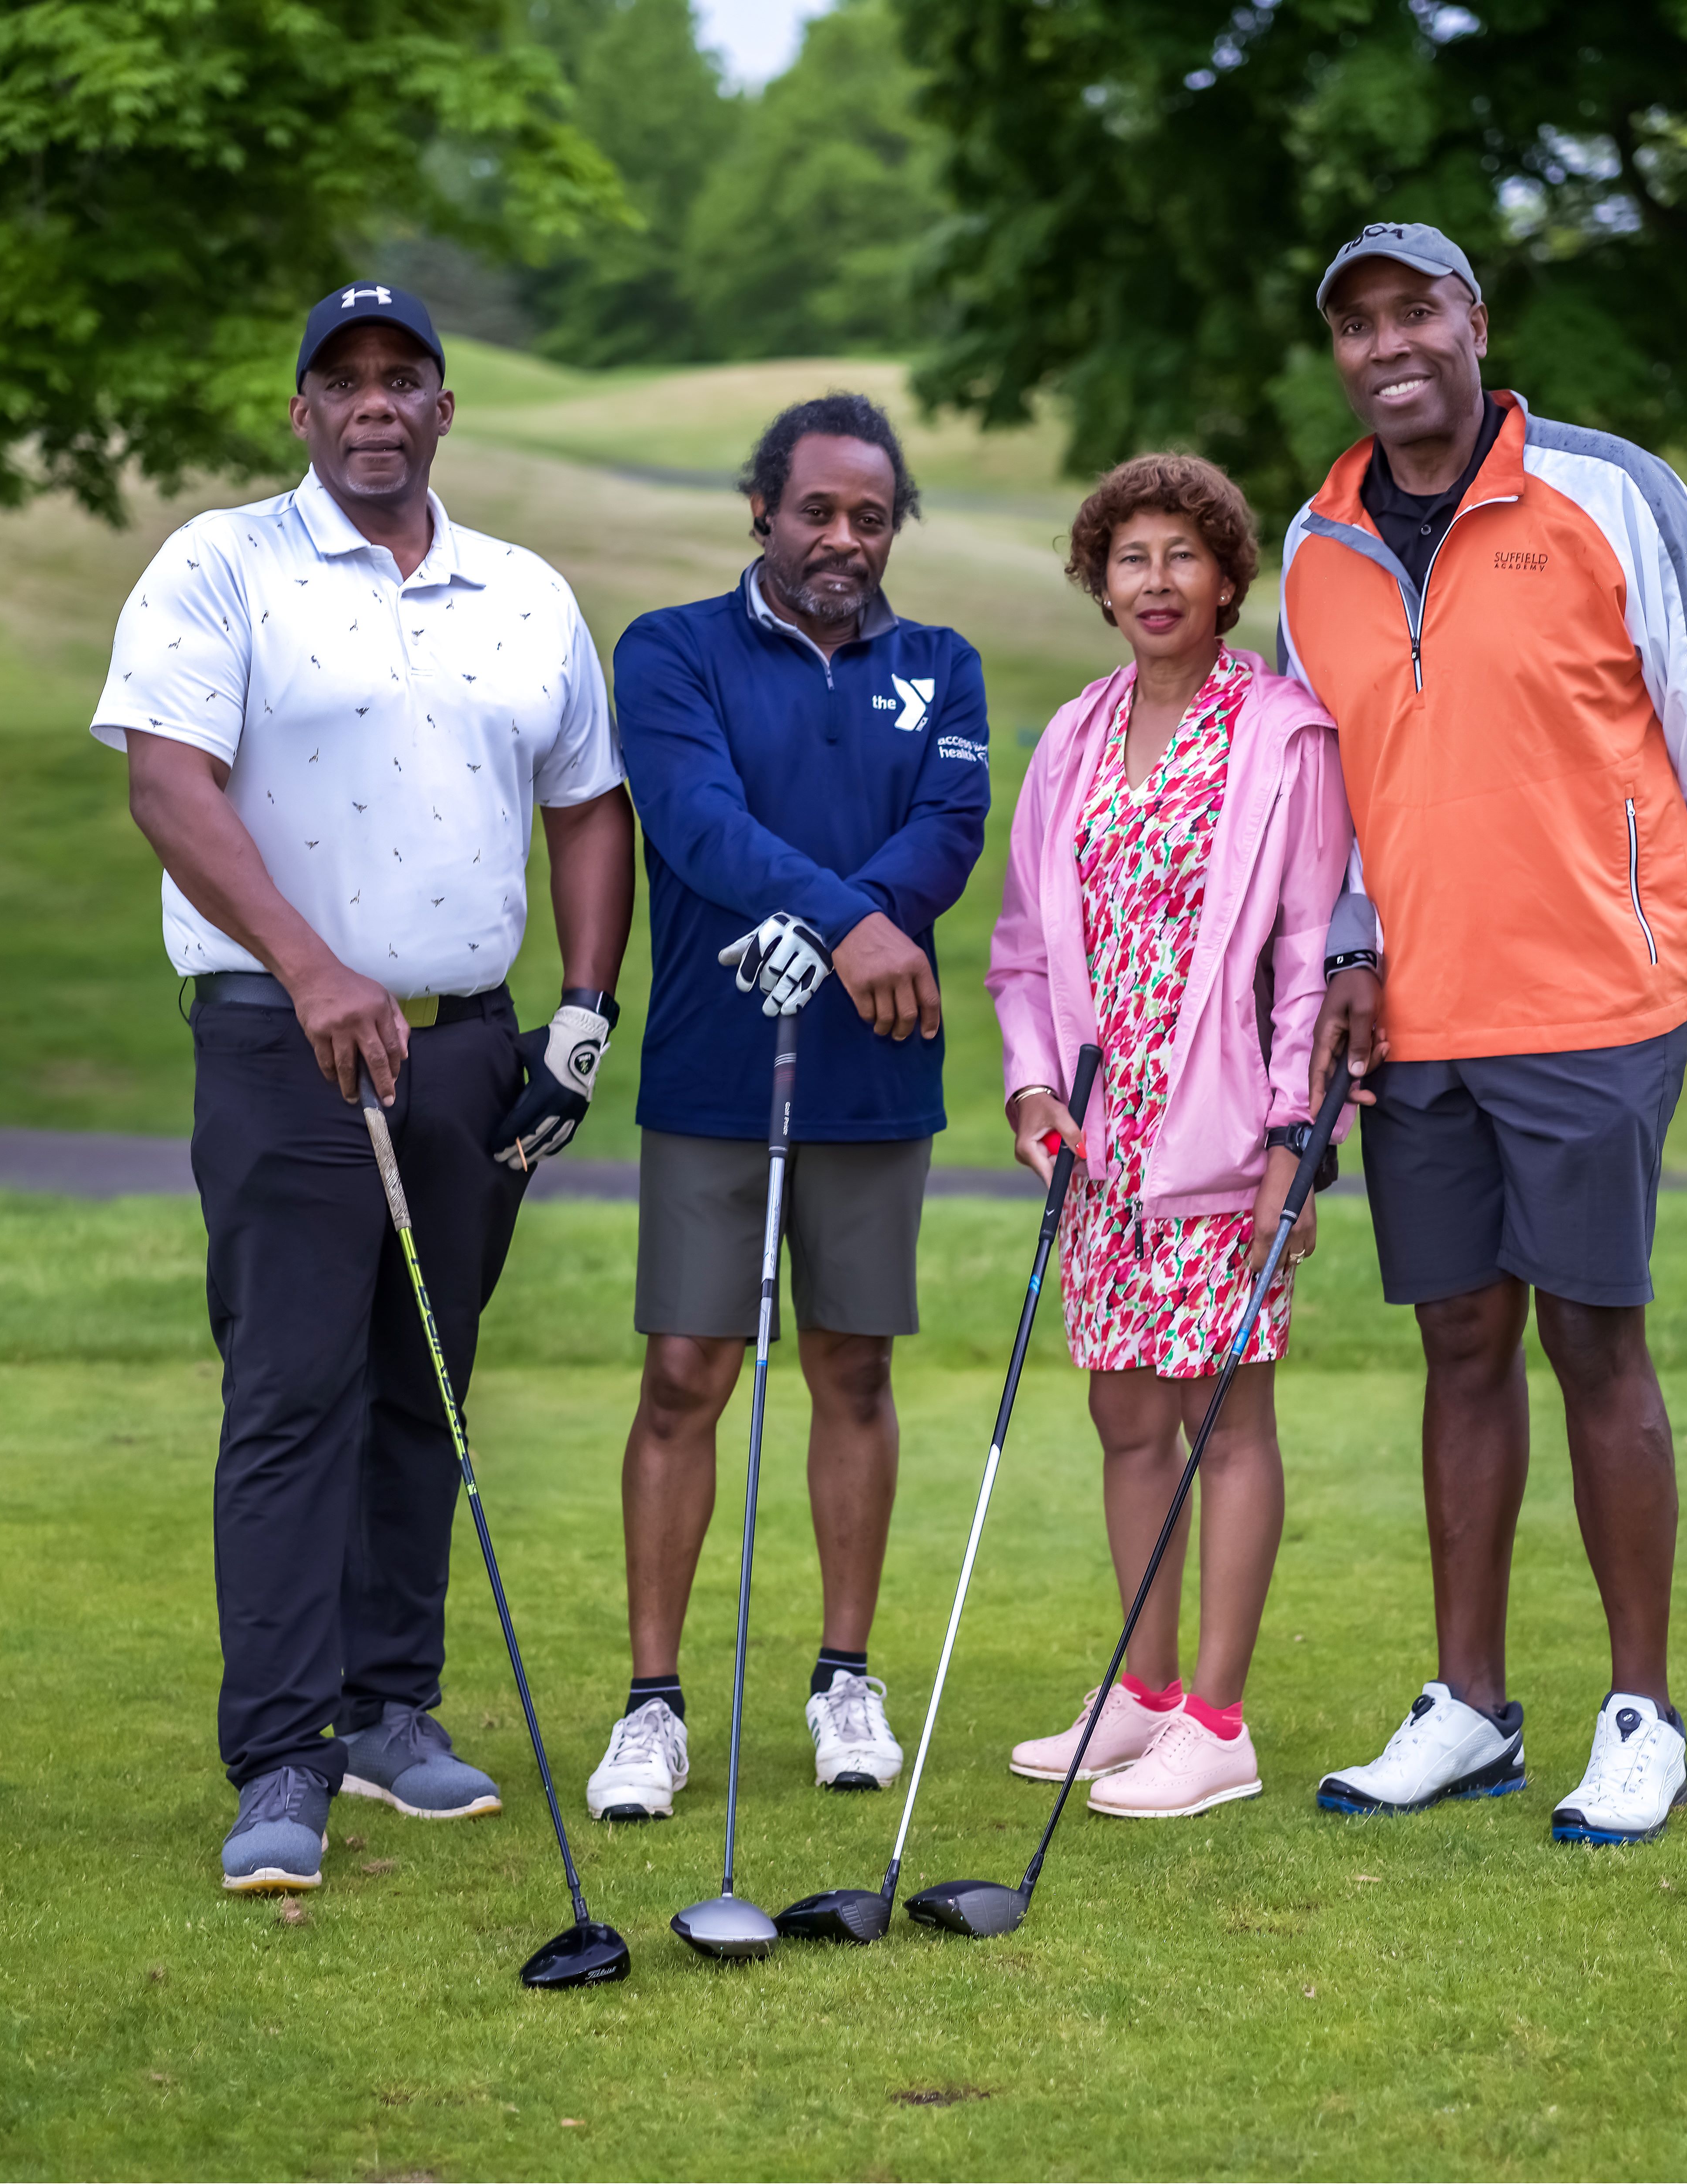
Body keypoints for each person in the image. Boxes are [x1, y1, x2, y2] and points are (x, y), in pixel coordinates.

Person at [93, 281, 635, 1893]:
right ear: (304, 412)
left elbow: (588, 803)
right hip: (283, 1040)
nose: (377, 404)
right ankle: (279, 1755)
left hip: (470, 1050)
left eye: (407, 379)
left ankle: (392, 1710)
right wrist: (314, 967)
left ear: (445, 409)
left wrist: (583, 1017)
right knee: (291, 1397)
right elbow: (165, 781)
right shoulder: (219, 565)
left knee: (427, 1390)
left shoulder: (522, 593)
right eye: (347, 382)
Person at [1282, 222, 1687, 1845]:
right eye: (1357, 325)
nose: (1388, 345)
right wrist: (1352, 947)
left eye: (1412, 310)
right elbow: (1334, 798)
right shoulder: (1316, 539)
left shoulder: (1609, 492)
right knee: (1456, 1346)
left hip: (1592, 1000)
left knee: (1593, 1340)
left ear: (1474, 321)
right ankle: (1470, 1709)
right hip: (1417, 1017)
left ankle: (1638, 1712)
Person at [582, 393, 992, 1821]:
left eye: (869, 518)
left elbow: (947, 833)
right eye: (816, 510)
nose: (841, 540)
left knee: (854, 1368)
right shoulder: (672, 649)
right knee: (685, 1374)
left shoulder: (940, 664)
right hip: (712, 1064)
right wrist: (857, 927)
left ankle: (843, 1679)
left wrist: (867, 931)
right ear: (763, 506)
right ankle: (651, 1704)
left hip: (875, 1071)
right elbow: (695, 824)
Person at [988, 455, 1352, 1819]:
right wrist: (1033, 1093)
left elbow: (1315, 955)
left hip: (1226, 1133)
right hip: (1101, 1143)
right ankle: (1140, 1699)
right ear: (1099, 581)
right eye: (1129, 557)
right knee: (1124, 1410)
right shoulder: (1073, 736)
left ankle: (1218, 1718)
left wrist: (1293, 1143)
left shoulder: (1282, 735)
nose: (1154, 581)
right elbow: (1023, 950)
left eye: (1180, 556)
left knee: (1223, 1412)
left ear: (1225, 579)